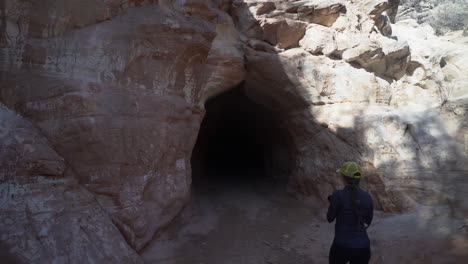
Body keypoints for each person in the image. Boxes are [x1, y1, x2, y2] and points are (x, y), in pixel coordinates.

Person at [327, 162, 374, 264]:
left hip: (341, 246)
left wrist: (333, 203)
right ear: (359, 178)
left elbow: (330, 218)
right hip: (363, 247)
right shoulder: (367, 197)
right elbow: (368, 221)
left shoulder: (337, 195)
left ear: (343, 177)